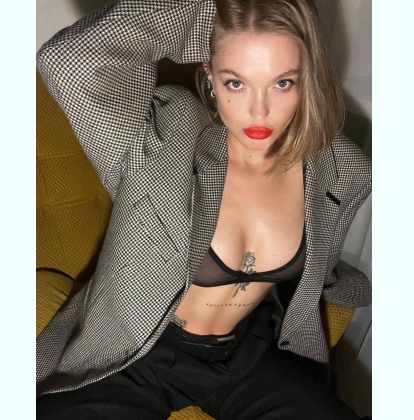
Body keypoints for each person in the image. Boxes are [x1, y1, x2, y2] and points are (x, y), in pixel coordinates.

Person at [36, 0, 372, 418]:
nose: (259, 111)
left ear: (309, 78)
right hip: (138, 355)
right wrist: (218, 16)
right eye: (237, 83)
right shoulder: (168, 136)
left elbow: (318, 267)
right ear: (210, 75)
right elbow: (69, 60)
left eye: (283, 83)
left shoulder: (342, 170)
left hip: (248, 353)